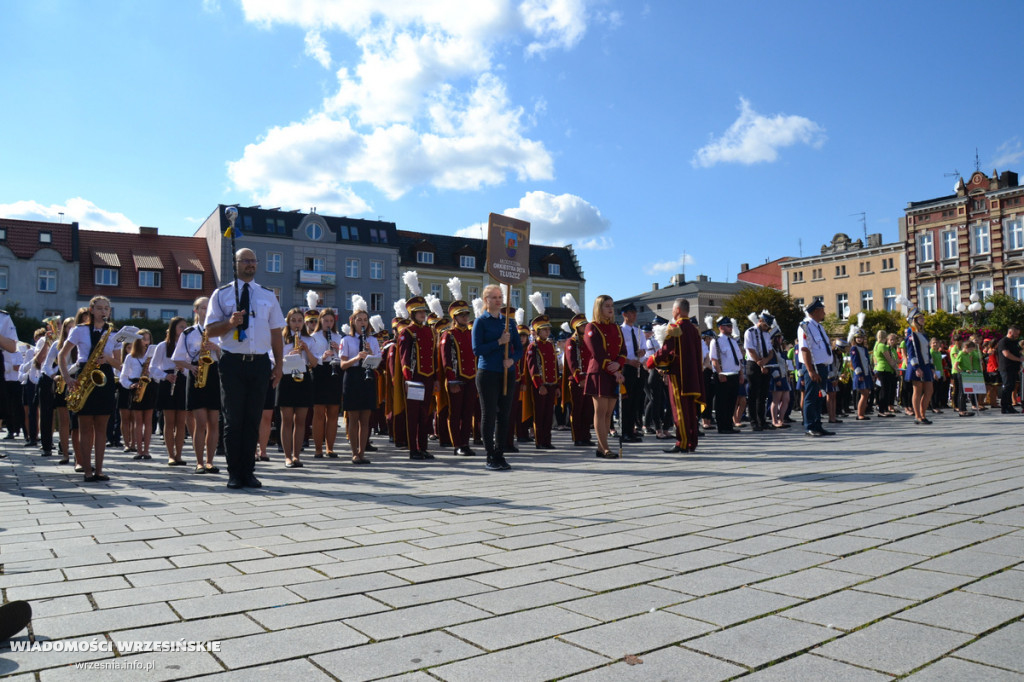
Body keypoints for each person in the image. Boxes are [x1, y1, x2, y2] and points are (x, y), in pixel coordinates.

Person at [205, 247, 285, 489]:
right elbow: (209, 331)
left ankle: (249, 471)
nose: (250, 264)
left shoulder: (268, 295)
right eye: (245, 260)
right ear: (236, 263)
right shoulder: (222, 294)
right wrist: (230, 323)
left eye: (253, 260)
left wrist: (279, 364)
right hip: (232, 362)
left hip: (259, 362)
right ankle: (234, 472)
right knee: (233, 419)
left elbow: (275, 332)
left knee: (253, 419)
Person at [58, 295, 119, 481]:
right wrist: (67, 378)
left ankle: (99, 470)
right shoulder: (79, 330)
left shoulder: (113, 333)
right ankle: (87, 471)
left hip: (104, 375)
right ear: (91, 310)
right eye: (99, 308)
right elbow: (62, 355)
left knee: (102, 428)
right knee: (85, 428)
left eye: (106, 309)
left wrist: (107, 359)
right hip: (84, 373)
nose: (103, 311)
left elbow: (120, 363)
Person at [472, 284, 523, 471]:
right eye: (494, 297)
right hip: (488, 373)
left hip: (507, 373)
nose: (498, 300)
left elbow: (519, 349)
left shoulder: (509, 322)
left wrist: (512, 360)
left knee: (504, 414)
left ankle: (500, 453)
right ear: (486, 300)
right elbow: (477, 350)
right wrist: (499, 342)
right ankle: (490, 455)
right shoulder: (481, 322)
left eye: (500, 297)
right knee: (489, 413)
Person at [173, 297, 223, 473]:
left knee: (214, 422)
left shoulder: (218, 331)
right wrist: (190, 366)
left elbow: (227, 355)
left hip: (214, 375)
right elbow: (177, 358)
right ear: (196, 311)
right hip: (196, 374)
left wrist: (216, 348)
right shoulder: (188, 333)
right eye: (203, 307)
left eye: (208, 307)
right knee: (200, 422)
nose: (206, 310)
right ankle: (199, 462)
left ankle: (210, 461)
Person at [653, 298, 705, 452]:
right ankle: (692, 442)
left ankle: (682, 443)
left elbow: (666, 352)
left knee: (680, 410)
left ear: (677, 311)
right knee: (690, 410)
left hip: (678, 375)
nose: (672, 313)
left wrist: (651, 361)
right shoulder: (695, 330)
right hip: (693, 375)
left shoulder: (675, 328)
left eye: (673, 310)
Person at [398, 272, 438, 461]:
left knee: (425, 414)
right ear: (413, 313)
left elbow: (433, 356)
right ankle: (413, 449)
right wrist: (408, 379)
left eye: (424, 312)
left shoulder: (430, 332)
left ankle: (423, 447)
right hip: (414, 378)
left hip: (428, 376)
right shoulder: (407, 332)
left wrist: (436, 378)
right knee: (413, 416)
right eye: (421, 312)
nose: (424, 315)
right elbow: (404, 358)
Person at [583, 295, 626, 459]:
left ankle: (602, 447)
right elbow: (598, 353)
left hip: (613, 373)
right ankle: (604, 447)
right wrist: (614, 369)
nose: (610, 309)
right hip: (600, 372)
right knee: (600, 411)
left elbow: (623, 351)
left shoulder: (616, 327)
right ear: (599, 308)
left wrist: (619, 365)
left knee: (609, 412)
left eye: (611, 305)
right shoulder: (591, 327)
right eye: (606, 306)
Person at [340, 297, 380, 464]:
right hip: (353, 377)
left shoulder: (373, 340)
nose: (362, 323)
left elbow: (377, 363)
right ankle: (354, 452)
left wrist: (370, 354)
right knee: (353, 417)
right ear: (353, 322)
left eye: (365, 320)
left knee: (365, 419)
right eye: (359, 319)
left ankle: (362, 452)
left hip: (368, 376)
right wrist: (357, 357)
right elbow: (342, 364)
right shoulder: (346, 340)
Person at [440, 281, 477, 457]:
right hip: (457, 378)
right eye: (461, 315)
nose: (465, 318)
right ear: (454, 317)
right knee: (455, 413)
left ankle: (465, 443)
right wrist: (452, 379)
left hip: (471, 378)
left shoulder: (471, 333)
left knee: (468, 412)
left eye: (466, 314)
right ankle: (457, 445)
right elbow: (447, 359)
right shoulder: (448, 335)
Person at [277, 307, 315, 468]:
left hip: (303, 377)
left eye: (300, 320)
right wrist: (289, 356)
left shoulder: (310, 340)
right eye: (294, 321)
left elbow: (314, 363)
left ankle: (297, 455)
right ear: (288, 322)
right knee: (286, 420)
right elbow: (273, 360)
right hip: (286, 377)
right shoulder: (281, 339)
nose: (297, 324)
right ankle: (287, 456)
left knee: (301, 420)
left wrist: (306, 350)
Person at [152, 317, 189, 466]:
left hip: (182, 381)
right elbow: (153, 368)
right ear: (174, 328)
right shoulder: (162, 346)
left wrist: (184, 368)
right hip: (168, 382)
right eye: (181, 327)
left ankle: (179, 454)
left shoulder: (187, 346)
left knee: (181, 422)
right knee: (169, 421)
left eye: (185, 328)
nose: (184, 330)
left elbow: (191, 367)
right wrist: (165, 376)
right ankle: (170, 455)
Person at [308, 308, 344, 458]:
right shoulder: (313, 337)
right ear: (320, 321)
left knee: (334, 412)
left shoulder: (339, 337)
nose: (328, 324)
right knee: (319, 413)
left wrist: (338, 351)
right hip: (320, 373)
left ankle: (330, 447)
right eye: (325, 321)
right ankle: (318, 448)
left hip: (335, 372)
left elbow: (345, 357)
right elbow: (310, 360)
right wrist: (322, 356)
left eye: (331, 321)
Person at [797, 300, 835, 437]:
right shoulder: (805, 327)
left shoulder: (818, 327)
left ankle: (818, 424)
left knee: (819, 397)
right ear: (814, 312)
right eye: (822, 310)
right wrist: (811, 370)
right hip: (814, 367)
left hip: (822, 367)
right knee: (811, 397)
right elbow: (805, 349)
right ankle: (810, 426)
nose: (824, 312)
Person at [526, 296, 559, 450]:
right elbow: (533, 367)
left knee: (548, 414)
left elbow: (554, 367)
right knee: (539, 415)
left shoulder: (550, 346)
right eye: (545, 329)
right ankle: (540, 441)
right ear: (538, 330)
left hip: (551, 384)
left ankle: (547, 440)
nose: (548, 331)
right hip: (541, 385)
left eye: (548, 329)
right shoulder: (533, 347)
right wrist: (539, 385)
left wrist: (557, 385)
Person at [120, 331, 157, 461]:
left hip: (149, 386)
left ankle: (146, 450)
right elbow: (123, 377)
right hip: (135, 386)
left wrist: (151, 371)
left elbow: (158, 375)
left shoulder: (152, 356)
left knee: (148, 421)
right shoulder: (130, 357)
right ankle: (138, 450)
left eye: (148, 339)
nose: (146, 342)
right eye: (143, 339)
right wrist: (130, 385)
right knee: (138, 420)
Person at [900, 300, 934, 424]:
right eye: (920, 318)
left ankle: (923, 414)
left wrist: (931, 366)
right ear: (914, 320)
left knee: (929, 390)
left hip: (925, 365)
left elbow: (927, 351)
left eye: (922, 318)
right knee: (918, 391)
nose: (923, 320)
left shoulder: (923, 335)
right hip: (917, 366)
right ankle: (918, 416)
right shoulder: (911, 334)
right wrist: (916, 367)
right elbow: (911, 352)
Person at [709, 317, 744, 435]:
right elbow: (714, 359)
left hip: (734, 374)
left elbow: (739, 359)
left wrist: (741, 374)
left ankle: (729, 425)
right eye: (728, 326)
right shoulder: (716, 341)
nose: (731, 328)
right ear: (721, 327)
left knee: (731, 401)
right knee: (722, 402)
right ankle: (722, 426)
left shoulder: (733, 341)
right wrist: (719, 373)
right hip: (723, 375)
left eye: (731, 326)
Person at [618, 302, 646, 442]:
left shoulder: (638, 331)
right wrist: (628, 361)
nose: (634, 315)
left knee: (636, 400)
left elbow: (644, 348)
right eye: (631, 313)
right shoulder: (620, 331)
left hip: (638, 367)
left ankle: (632, 429)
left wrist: (642, 352)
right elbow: (618, 352)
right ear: (624, 314)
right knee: (626, 401)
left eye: (635, 313)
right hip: (627, 367)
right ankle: (625, 431)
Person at [743, 311, 775, 431]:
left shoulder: (766, 334)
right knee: (753, 394)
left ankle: (762, 421)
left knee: (763, 394)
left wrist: (765, 361)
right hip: (753, 364)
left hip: (765, 364)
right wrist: (759, 362)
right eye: (765, 325)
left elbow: (770, 351)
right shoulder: (750, 332)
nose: (767, 328)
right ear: (760, 321)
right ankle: (753, 421)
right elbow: (750, 349)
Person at [848, 320, 874, 421]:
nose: (859, 339)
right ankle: (860, 414)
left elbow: (867, 362)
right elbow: (855, 363)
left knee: (866, 394)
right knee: (864, 394)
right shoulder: (854, 349)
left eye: (861, 337)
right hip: (860, 374)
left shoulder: (864, 349)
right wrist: (859, 374)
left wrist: (871, 373)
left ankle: (862, 413)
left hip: (866, 373)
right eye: (857, 337)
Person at [768, 330, 791, 429]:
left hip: (784, 376)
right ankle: (774, 420)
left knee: (786, 399)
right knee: (776, 400)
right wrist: (776, 378)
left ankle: (781, 419)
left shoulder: (780, 350)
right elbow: (772, 365)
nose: (782, 339)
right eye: (780, 338)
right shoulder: (772, 350)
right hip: (777, 377)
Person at [997, 325, 1022, 413]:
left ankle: (1009, 405)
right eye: (1015, 334)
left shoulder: (1014, 342)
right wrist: (1019, 359)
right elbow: (1006, 354)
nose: (1016, 336)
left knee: (1011, 387)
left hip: (1014, 368)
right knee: (1007, 386)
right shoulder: (1003, 341)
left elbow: (1018, 352)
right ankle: (1005, 406)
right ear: (1010, 332)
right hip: (1006, 367)